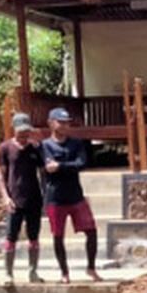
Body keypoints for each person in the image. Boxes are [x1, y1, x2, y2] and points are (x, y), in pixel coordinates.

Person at [43, 107, 103, 283]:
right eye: (60, 122)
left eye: (66, 123)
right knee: (57, 235)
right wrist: (66, 166)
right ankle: (64, 272)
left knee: (91, 231)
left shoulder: (76, 144)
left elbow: (81, 163)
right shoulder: (45, 145)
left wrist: (60, 166)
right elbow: (48, 168)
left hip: (76, 195)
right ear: (51, 123)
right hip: (55, 197)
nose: (64, 126)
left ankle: (91, 268)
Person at [0, 113, 45, 285]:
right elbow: (0, 175)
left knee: (34, 236)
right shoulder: (5, 148)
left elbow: (44, 169)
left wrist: (40, 142)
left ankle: (33, 272)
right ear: (14, 130)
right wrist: (5, 197)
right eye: (21, 133)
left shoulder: (35, 148)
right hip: (14, 200)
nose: (24, 136)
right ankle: (8, 274)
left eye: (26, 132)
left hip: (34, 199)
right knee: (11, 237)